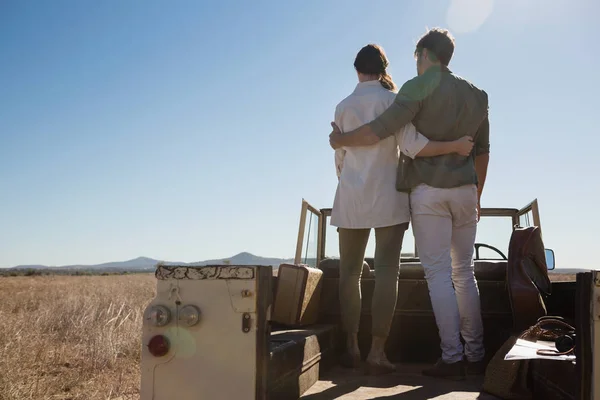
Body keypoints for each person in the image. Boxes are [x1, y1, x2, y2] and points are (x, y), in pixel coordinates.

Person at [329, 29, 490, 381]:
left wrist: (338, 141)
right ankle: (383, 352)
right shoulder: (411, 98)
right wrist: (471, 182)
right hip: (408, 194)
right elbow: (419, 145)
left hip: (360, 199)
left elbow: (348, 154)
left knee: (352, 274)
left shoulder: (345, 106)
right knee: (416, 272)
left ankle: (354, 347)